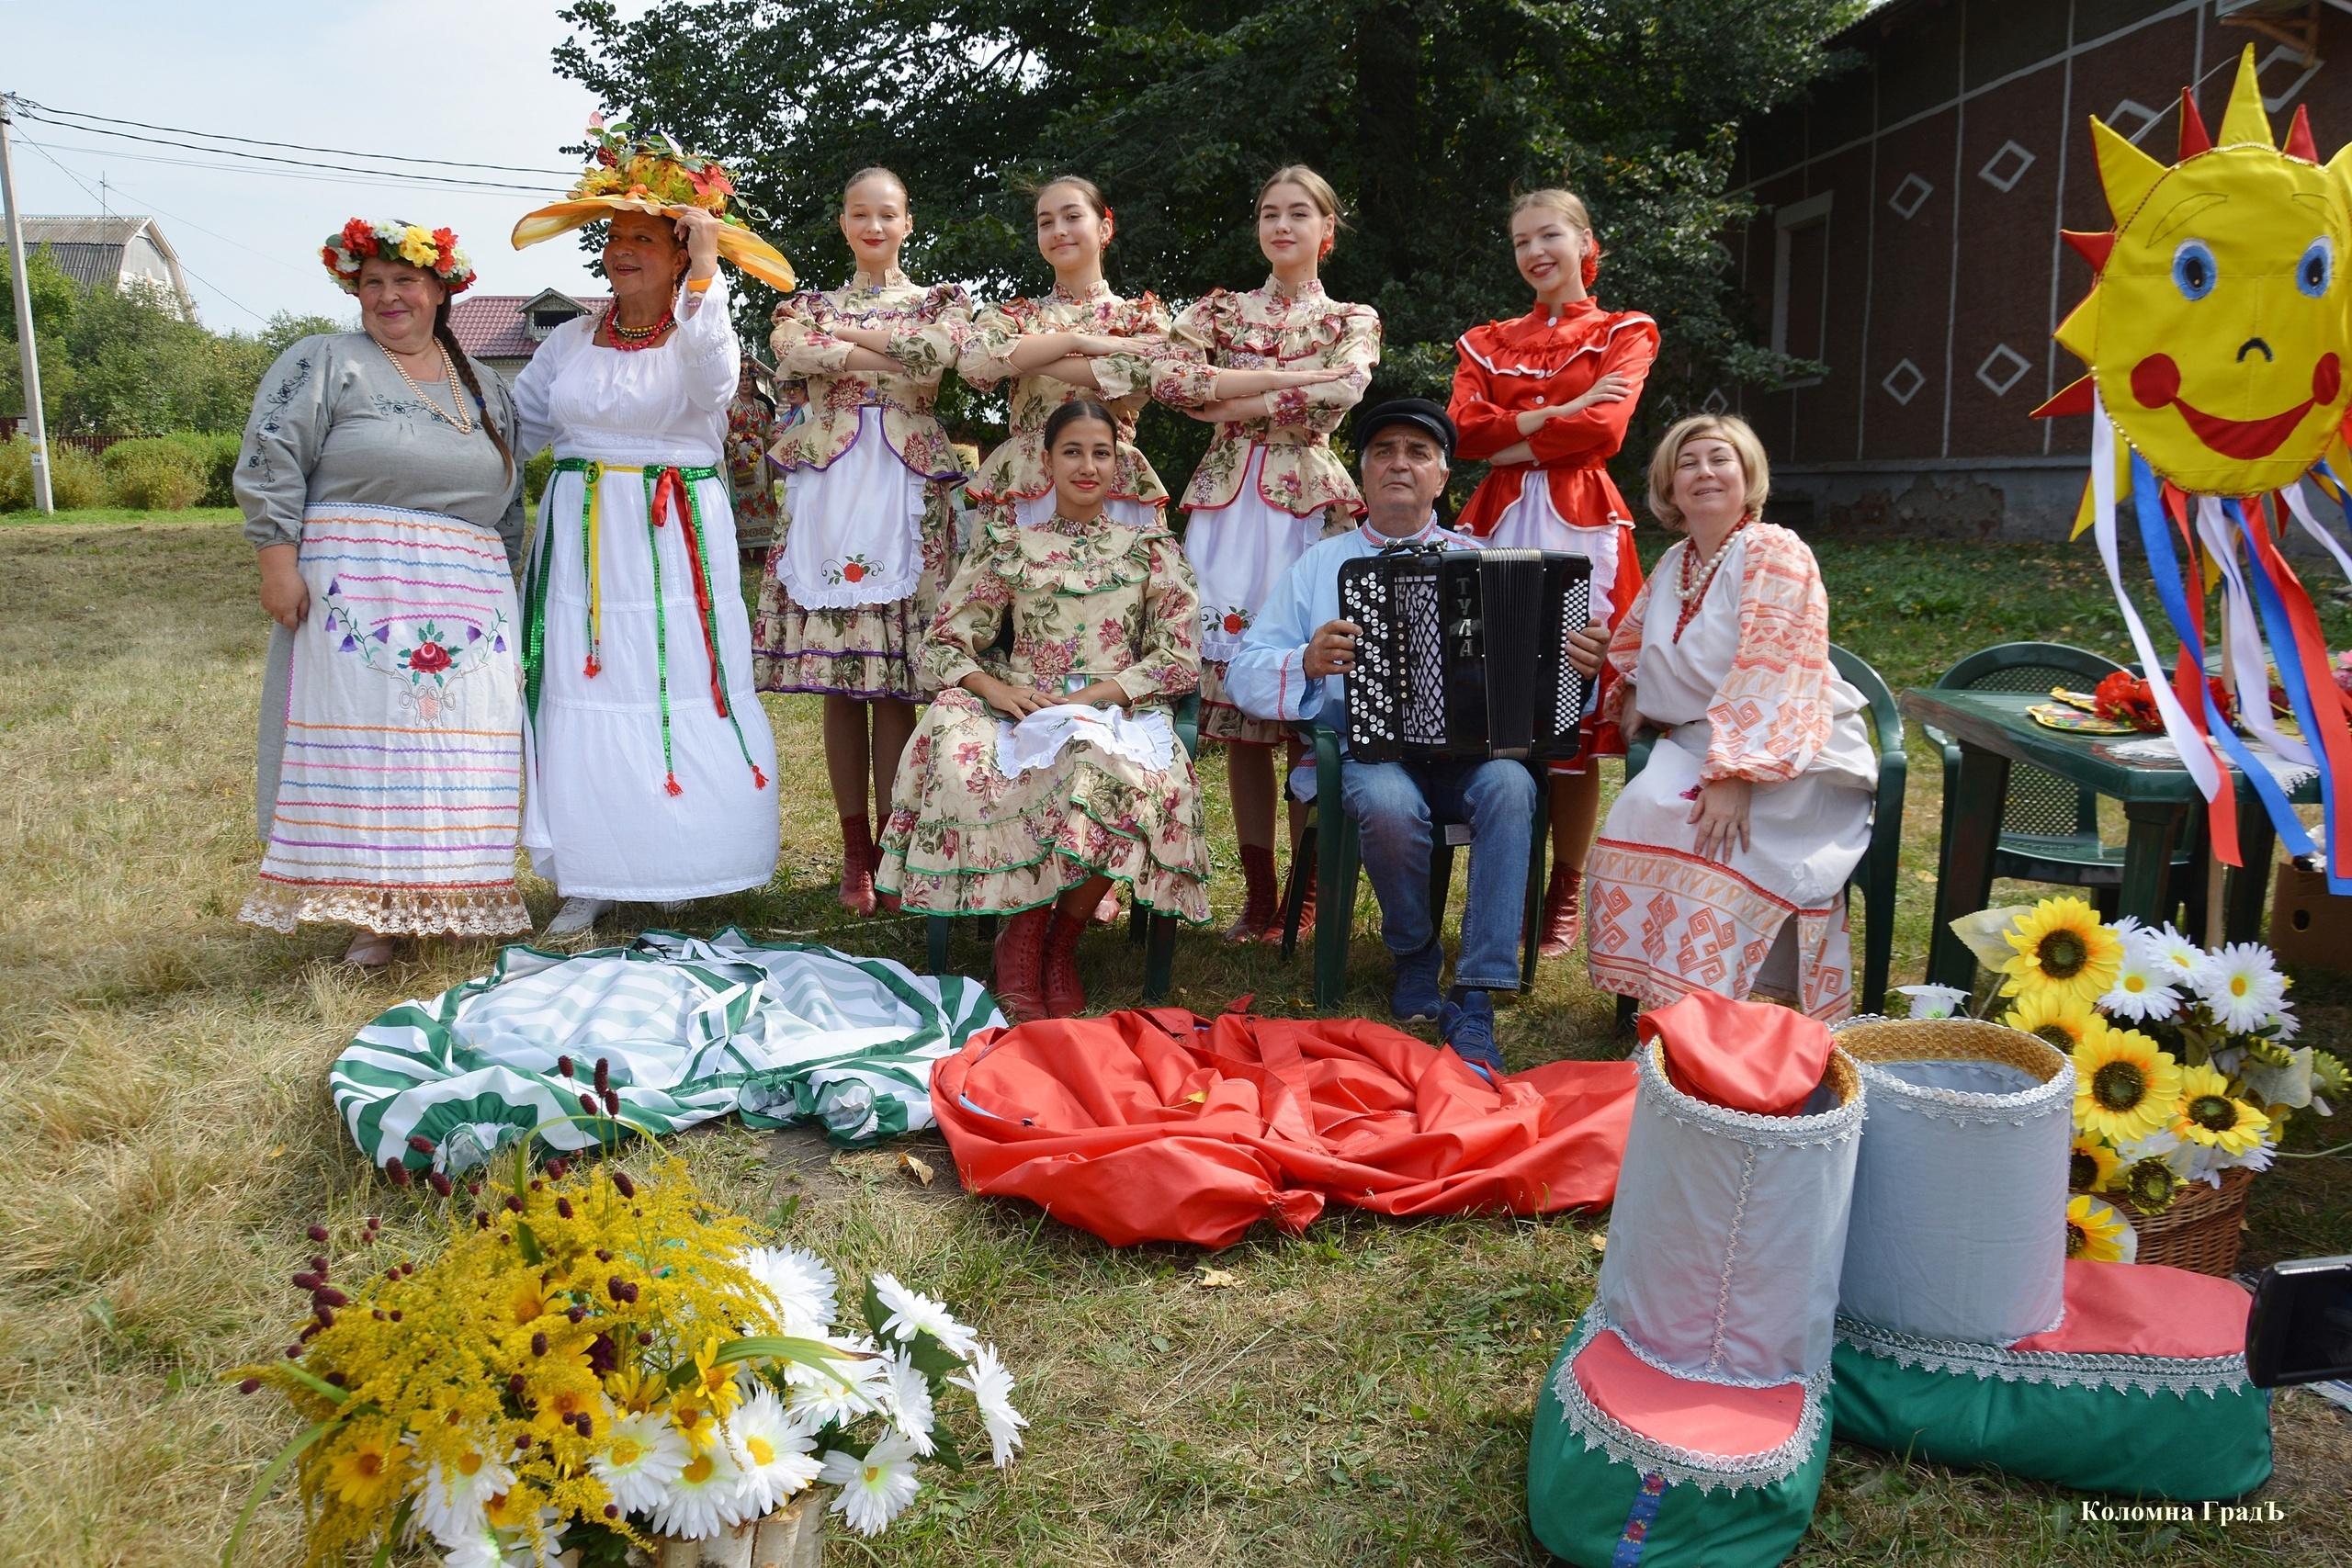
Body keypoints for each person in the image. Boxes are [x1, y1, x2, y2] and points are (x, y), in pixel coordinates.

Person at [235, 218, 527, 967]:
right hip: (356, 588)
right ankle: (372, 911)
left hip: (469, 596)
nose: (387, 297)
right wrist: (277, 559)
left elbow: (511, 501)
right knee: (372, 750)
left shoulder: (485, 383)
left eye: (404, 281)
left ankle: (447, 894)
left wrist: (513, 590)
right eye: (372, 284)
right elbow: (272, 457)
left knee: (456, 755)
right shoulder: (328, 362)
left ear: (439, 290)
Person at [1225, 399, 1535, 1079]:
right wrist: (1304, 661)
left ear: (1441, 476)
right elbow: (1245, 669)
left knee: (1513, 784)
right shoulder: (1318, 565)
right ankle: (1416, 950)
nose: (1400, 463)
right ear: (1361, 476)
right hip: (1366, 753)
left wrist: (1570, 661)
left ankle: (1478, 990)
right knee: (1391, 803)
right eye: (1384, 451)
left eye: (1417, 453)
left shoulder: (1483, 562)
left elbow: (1533, 674)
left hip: (1465, 761)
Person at [875, 400, 1210, 1021]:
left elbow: (1178, 657)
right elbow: (946, 642)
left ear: (1119, 463)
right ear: (1047, 460)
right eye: (1073, 451)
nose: (1088, 465)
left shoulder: (1149, 548)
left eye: (1101, 452)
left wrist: (1093, 697)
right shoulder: (1011, 544)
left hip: (1114, 708)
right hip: (1022, 701)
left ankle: (1059, 944)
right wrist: (998, 693)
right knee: (962, 755)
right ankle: (1019, 945)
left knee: (1111, 769)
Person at [512, 197, 780, 936]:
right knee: (578, 686)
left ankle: (679, 857)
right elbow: (516, 429)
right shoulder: (566, 341)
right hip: (581, 544)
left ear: (680, 251)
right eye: (614, 237)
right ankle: (588, 872)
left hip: (674, 536)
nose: (623, 249)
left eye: (644, 239)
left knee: (673, 684)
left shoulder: (702, 331)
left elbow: (715, 387)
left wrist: (705, 271)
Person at [1564, 414, 1874, 1022]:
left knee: (1711, 837)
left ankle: (1727, 1016)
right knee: (1643, 810)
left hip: (1790, 750)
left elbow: (1775, 667)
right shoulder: (1677, 561)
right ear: (1669, 488)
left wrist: (1736, 774)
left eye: (1719, 459)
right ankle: (1662, 1007)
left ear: (1747, 474)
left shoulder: (1775, 550)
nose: (1704, 472)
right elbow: (1633, 646)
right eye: (1688, 463)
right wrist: (1624, 685)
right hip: (1697, 742)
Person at [1145, 164, 1379, 943]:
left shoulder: (1353, 316)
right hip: (1224, 508)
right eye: (1270, 213)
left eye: (1299, 213)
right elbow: (1172, 381)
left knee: (1310, 699)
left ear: (1326, 230)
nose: (1283, 225)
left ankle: (1306, 893)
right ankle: (1258, 890)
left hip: (1308, 509)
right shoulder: (1219, 307)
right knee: (1241, 706)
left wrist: (1231, 397)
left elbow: (1343, 389)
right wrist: (1287, 381)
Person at [754, 167, 974, 918]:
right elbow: (792, 351)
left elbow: (941, 356)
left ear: (908, 222)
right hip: (831, 496)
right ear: (844, 223)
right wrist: (888, 352)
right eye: (859, 214)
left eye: (887, 214)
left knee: (900, 684)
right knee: (840, 681)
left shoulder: (940, 303)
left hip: (907, 494)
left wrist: (842, 342)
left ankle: (895, 844)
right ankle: (855, 849)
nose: (873, 226)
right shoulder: (806, 306)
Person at [1449, 187, 1657, 961]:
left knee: (1573, 715)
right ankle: (1496, 882)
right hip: (1495, 521)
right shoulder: (1483, 342)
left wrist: (1509, 436)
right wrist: (1543, 422)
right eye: (1520, 241)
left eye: (1549, 237)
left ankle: (1563, 892)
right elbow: (1464, 436)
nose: (1536, 253)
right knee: (1487, 699)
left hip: (1582, 521)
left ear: (1584, 240)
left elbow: (1607, 425)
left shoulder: (1624, 330)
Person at [957, 175, 1170, 533]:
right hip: (1024, 478)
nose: (1058, 230)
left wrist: (1034, 355)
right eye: (1046, 222)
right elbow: (974, 362)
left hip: (1107, 474)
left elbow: (1140, 381)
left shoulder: (1141, 317)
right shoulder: (1014, 314)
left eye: (1072, 217)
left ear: (1104, 229)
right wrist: (1080, 342)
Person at [725, 353, 781, 555]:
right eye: (741, 379)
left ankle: (761, 547)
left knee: (762, 497)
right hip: (739, 461)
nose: (745, 383)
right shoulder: (729, 406)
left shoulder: (762, 407)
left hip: (760, 462)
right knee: (742, 499)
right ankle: (744, 546)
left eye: (748, 379)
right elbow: (723, 432)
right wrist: (734, 445)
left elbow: (767, 432)